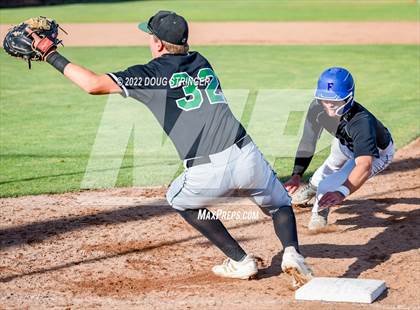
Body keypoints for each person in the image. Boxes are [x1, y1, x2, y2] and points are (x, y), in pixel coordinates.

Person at [27, 11, 312, 287]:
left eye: (150, 36)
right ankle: (291, 252)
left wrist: (49, 53)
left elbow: (93, 85)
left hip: (206, 171)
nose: (149, 41)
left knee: (179, 199)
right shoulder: (201, 61)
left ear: (159, 43)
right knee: (279, 205)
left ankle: (240, 260)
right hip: (246, 154)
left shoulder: (150, 74)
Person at [284, 67, 394, 231]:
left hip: (376, 154)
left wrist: (342, 191)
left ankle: (319, 212)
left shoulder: (361, 122)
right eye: (324, 98)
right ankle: (312, 188)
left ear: (349, 98)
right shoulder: (316, 108)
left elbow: (364, 164)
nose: (329, 104)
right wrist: (296, 175)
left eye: (335, 100)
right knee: (320, 176)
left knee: (328, 185)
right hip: (343, 143)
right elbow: (308, 141)